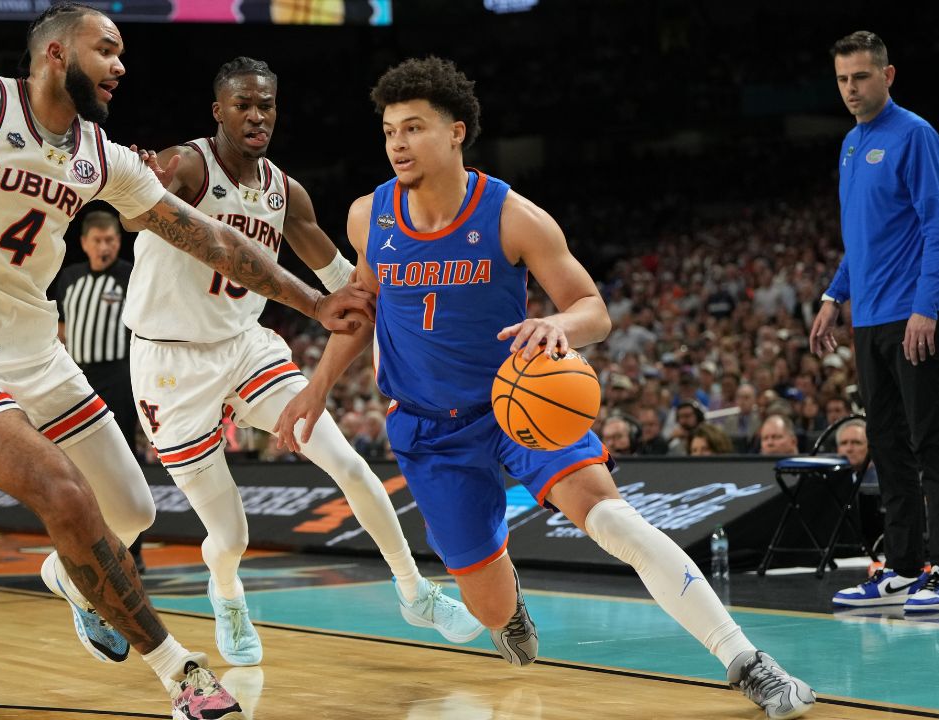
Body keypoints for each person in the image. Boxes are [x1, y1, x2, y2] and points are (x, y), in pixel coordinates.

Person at [0, 5, 370, 716]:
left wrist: (313, 304)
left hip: (36, 355)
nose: (120, 65)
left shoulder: (98, 157)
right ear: (54, 52)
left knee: (132, 511)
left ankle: (71, 578)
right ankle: (183, 675)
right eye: (106, 49)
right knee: (66, 495)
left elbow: (214, 241)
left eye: (122, 53)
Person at [275, 57, 814, 719]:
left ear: (456, 133)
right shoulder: (369, 217)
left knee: (614, 521)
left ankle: (748, 661)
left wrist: (556, 324)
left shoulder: (513, 217)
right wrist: (318, 384)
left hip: (517, 405)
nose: (397, 143)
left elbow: (593, 307)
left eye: (413, 128)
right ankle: (510, 607)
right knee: (488, 607)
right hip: (427, 428)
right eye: (389, 130)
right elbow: (362, 311)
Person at [121, 56, 481, 666]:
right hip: (170, 363)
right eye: (244, 104)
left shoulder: (283, 190)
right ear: (219, 112)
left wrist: (384, 299)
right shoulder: (185, 165)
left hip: (245, 347)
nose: (257, 115)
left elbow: (340, 278)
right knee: (230, 534)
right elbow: (135, 215)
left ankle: (414, 589)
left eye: (267, 105)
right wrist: (139, 184)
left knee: (351, 465)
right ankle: (228, 594)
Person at [811, 31, 939, 613]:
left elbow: (936, 226)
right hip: (869, 317)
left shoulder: (916, 134)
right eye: (843, 79)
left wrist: (928, 306)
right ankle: (901, 567)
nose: (851, 89)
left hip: (913, 314)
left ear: (888, 75)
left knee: (931, 440)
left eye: (861, 77)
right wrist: (833, 294)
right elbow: (863, 239)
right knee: (889, 444)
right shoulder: (850, 144)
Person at [54, 209, 148, 571]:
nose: (105, 246)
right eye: (98, 240)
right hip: (77, 376)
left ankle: (131, 551)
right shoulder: (69, 277)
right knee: (75, 462)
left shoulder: (130, 275)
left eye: (111, 239)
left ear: (119, 241)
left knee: (121, 460)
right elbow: (61, 324)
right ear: (84, 243)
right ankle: (85, 545)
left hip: (119, 374)